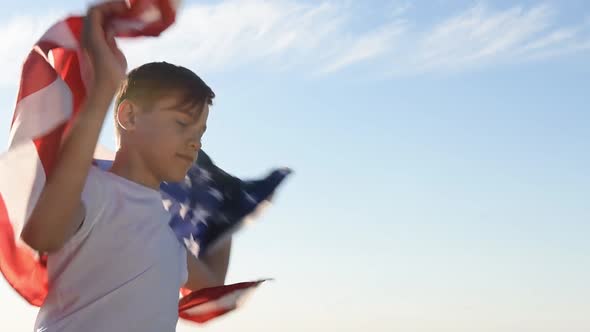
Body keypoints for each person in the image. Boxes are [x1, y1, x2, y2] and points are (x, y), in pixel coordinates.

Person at [20, 2, 230, 331]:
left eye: (200, 133)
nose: (196, 143)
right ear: (129, 116)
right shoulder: (91, 189)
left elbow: (210, 284)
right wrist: (104, 88)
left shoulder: (168, 225)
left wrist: (225, 216)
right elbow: (42, 234)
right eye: (181, 123)